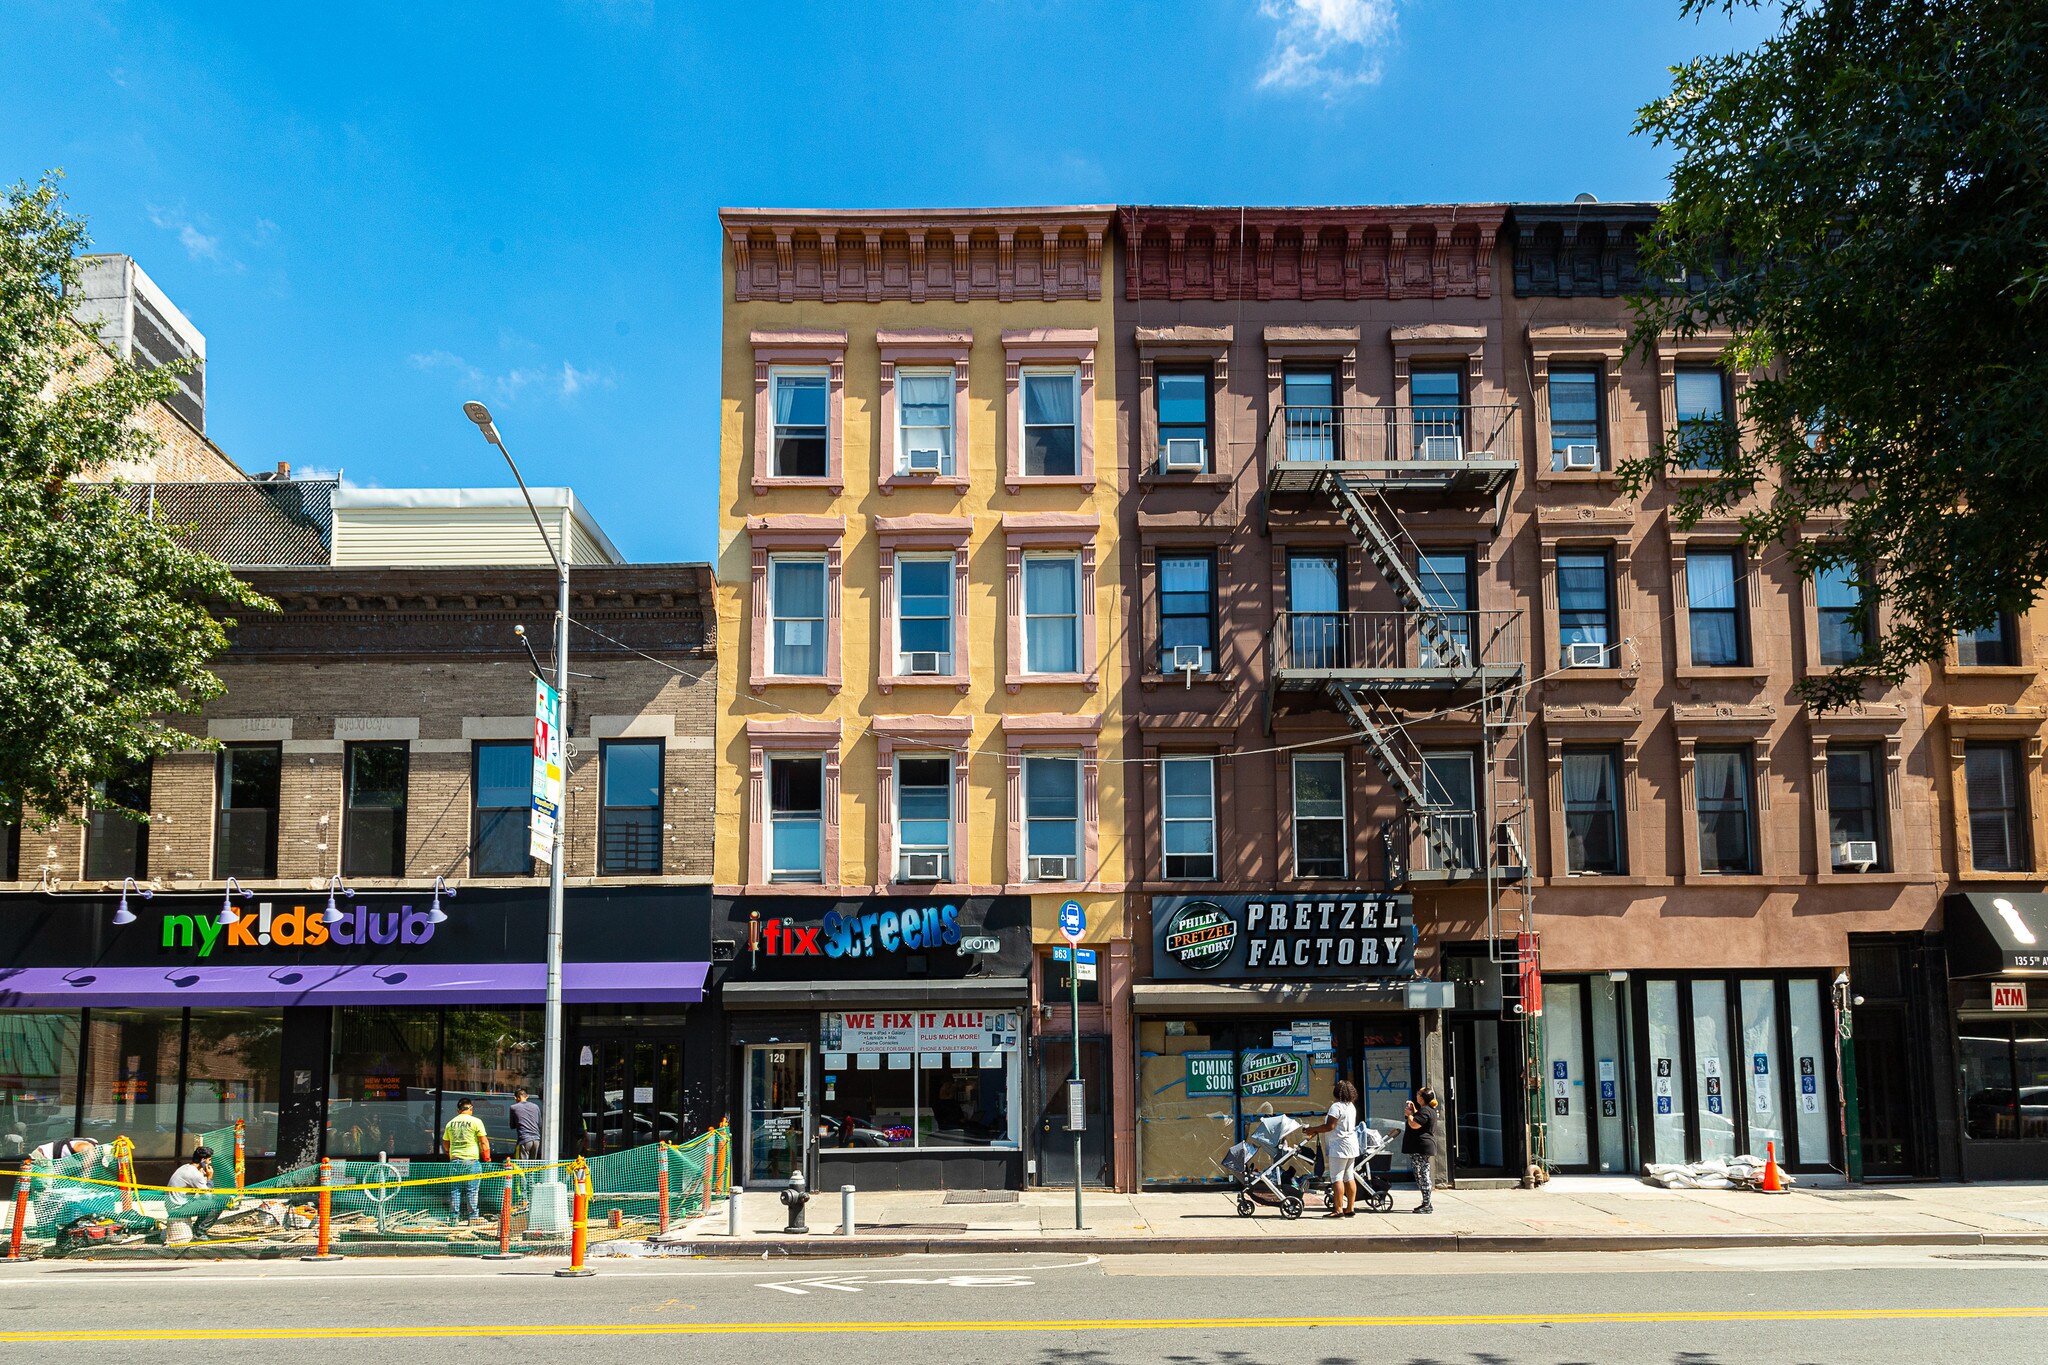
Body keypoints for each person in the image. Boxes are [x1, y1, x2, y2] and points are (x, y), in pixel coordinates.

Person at [1304, 1079, 1363, 1218]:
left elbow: (1330, 1126)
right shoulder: (1351, 1106)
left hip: (1339, 1146)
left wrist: (1312, 1129)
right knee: (1349, 1176)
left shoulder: (1336, 1107)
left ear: (1336, 1092)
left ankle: (1338, 1210)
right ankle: (1350, 1208)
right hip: (1351, 1144)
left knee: (1337, 1178)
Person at [442, 1098, 491, 1224]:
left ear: (458, 1110)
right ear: (470, 1108)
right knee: (472, 1190)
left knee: (455, 1190)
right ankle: (473, 1217)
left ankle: (454, 1218)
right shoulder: (476, 1122)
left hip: (455, 1161)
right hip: (471, 1160)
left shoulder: (450, 1123)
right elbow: (483, 1142)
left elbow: (446, 1143)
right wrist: (487, 1159)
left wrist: (450, 1154)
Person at [166, 1146, 231, 1240]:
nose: (210, 1162)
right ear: (203, 1160)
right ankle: (199, 1233)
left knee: (208, 1201)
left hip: (174, 1206)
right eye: (209, 1160)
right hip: (178, 1209)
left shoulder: (185, 1167)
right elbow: (208, 1197)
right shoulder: (195, 1174)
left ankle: (196, 1229)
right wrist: (209, 1178)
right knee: (220, 1202)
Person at [1403, 1086, 1441, 1214]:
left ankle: (1427, 1204)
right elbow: (1418, 1119)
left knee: (1422, 1174)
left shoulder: (1426, 1111)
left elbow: (1415, 1124)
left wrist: (1409, 1115)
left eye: (1419, 1093)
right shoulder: (1426, 1110)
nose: (1417, 1095)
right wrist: (1414, 1110)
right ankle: (1426, 1202)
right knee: (1420, 1174)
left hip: (1421, 1147)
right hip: (1420, 1147)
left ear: (1423, 1098)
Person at [509, 1087, 543, 1161]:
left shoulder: (513, 1107)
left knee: (521, 1165)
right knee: (532, 1165)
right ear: (527, 1097)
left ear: (516, 1098)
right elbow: (540, 1124)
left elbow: (512, 1125)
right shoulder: (535, 1106)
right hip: (536, 1140)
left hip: (524, 1139)